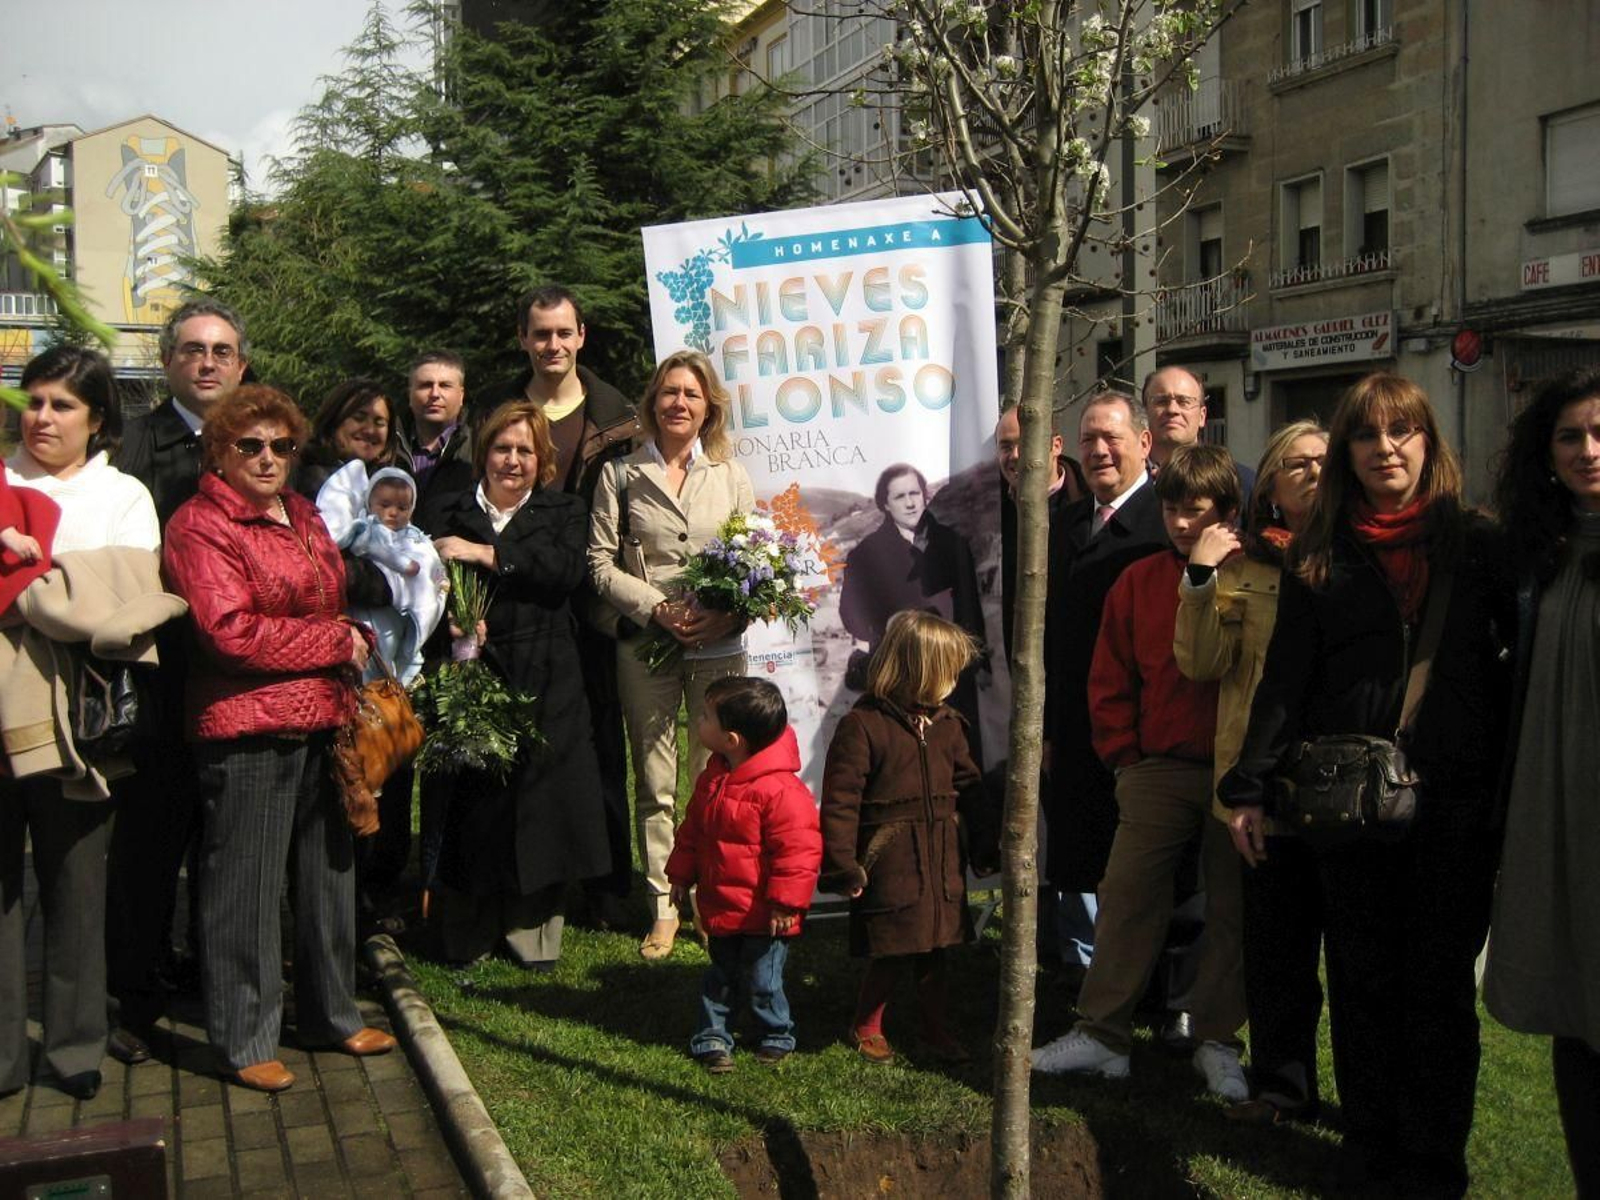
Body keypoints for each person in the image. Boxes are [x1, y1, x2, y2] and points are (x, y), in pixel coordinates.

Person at [1218, 373, 1509, 1193]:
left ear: (1427, 442)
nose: (1385, 449)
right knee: (1361, 981)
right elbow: (1285, 678)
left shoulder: (1478, 546)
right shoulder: (1321, 551)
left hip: (1451, 803)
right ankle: (1371, 1145)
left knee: (1441, 991)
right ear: (1347, 451)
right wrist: (1248, 786)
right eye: (1367, 436)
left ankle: (1433, 1158)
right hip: (1347, 807)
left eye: (1402, 432)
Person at [162, 385, 395, 1093]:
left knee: (329, 876)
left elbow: (330, 597)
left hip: (324, 719)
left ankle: (330, 1014)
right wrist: (331, 638)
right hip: (246, 727)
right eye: (251, 446)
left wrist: (346, 635)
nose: (268, 459)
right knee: (247, 888)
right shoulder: (200, 524)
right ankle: (245, 1037)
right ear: (219, 451)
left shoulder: (299, 513)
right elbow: (227, 633)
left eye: (282, 447)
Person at [1031, 444, 1248, 1100]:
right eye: (1173, 509)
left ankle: (1217, 1041)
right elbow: (1111, 674)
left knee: (1229, 912)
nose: (1182, 523)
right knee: (1124, 897)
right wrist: (1125, 754)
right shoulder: (1138, 580)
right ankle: (1103, 1036)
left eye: (1197, 511)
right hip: (1157, 764)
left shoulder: (1257, 578)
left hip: (1236, 773)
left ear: (1227, 512)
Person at [0, 346, 166, 1101]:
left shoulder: (123, 495)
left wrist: (21, 576)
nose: (41, 418)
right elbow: (80, 590)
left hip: (82, 717)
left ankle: (74, 1048)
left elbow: (120, 609)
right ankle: (2, 1058)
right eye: (34, 401)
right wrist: (65, 577)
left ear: (97, 419)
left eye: (61, 405)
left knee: (76, 883)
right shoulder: (0, 484)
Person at [108, 299, 251, 1065]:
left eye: (222, 351)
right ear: (167, 363)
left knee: (223, 843)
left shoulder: (258, 441)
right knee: (148, 845)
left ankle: (206, 971)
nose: (207, 362)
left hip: (235, 678)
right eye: (193, 350)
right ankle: (134, 997)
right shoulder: (135, 446)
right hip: (159, 676)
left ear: (241, 364)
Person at [1174, 420, 1329, 1122]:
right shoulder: (1244, 565)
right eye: (1297, 464)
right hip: (1264, 786)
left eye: (1325, 462)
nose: (1314, 474)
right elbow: (1202, 664)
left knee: (1356, 956)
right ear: (1267, 483)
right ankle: (1282, 1089)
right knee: (1275, 950)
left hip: (1346, 782)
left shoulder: (1360, 554)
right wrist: (1202, 578)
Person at [428, 401, 611, 968]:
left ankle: (531, 927)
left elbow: (563, 572)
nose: (513, 461)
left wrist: (486, 553)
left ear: (542, 461)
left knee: (542, 803)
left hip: (547, 674)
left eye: (525, 451)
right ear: (484, 454)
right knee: (475, 802)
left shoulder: (563, 512)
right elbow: (419, 583)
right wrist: (448, 618)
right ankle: (473, 924)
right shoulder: (449, 511)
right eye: (503, 449)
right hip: (472, 672)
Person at [477, 286, 641, 917]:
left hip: (594, 601)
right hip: (520, 600)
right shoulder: (501, 410)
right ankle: (525, 878)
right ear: (524, 339)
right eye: (540, 334)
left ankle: (605, 885)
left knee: (600, 742)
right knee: (518, 738)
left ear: (581, 337)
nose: (552, 345)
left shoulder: (618, 416)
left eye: (562, 333)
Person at [588, 350, 754, 961]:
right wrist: (656, 607)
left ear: (708, 405)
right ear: (652, 402)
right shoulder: (621, 474)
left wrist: (730, 612)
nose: (678, 403)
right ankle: (663, 904)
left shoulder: (731, 475)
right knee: (655, 780)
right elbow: (598, 564)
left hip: (719, 645)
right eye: (668, 392)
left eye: (691, 393)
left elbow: (756, 564)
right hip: (648, 645)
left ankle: (711, 897)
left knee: (713, 778)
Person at [1484, 366, 1600, 1193]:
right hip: (1554, 805)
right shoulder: (1539, 553)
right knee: (1573, 1001)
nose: (1589, 451)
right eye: (1571, 435)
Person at [821, 610, 992, 1066]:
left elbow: (969, 788)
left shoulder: (950, 724)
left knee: (937, 948)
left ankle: (936, 1027)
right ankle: (867, 1024)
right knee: (894, 945)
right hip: (891, 856)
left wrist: (984, 847)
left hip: (941, 854)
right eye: (948, 672)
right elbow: (841, 800)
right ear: (919, 670)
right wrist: (842, 863)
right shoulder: (863, 726)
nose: (954, 681)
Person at [1042, 391, 1169, 977]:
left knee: (1142, 861)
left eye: (1111, 437)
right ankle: (1088, 971)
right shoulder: (1064, 523)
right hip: (1073, 725)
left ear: (1144, 443)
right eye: (1088, 439)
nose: (1098, 451)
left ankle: (1151, 981)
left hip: (1144, 726)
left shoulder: (1167, 522)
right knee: (1081, 853)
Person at [665, 677, 821, 1073]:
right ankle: (713, 1037)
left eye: (704, 717)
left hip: (766, 915)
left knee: (763, 981)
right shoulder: (714, 779)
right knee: (721, 976)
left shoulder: (781, 791)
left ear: (731, 739)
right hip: (722, 904)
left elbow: (798, 852)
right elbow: (692, 832)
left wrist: (786, 903)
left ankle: (775, 1033)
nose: (696, 722)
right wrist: (681, 875)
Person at [838, 463, 986, 769]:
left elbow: (970, 608)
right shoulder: (865, 555)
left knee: (959, 763)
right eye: (900, 496)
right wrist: (887, 632)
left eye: (915, 493)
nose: (910, 502)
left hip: (952, 673)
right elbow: (851, 616)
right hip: (896, 677)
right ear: (885, 504)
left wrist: (974, 660)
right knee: (904, 764)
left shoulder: (952, 543)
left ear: (925, 496)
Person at [319, 467, 446, 686]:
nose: (393, 513)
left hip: (394, 617)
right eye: (384, 505)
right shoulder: (364, 528)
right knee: (361, 661)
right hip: (360, 614)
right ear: (369, 503)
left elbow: (429, 575)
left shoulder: (417, 540)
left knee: (386, 657)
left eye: (402, 507)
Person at [994, 404, 1087, 660]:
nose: (1014, 455)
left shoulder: (1090, 503)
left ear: (1056, 445)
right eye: (1005, 446)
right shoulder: (991, 513)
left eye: (1025, 443)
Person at [1141, 366, 1256, 505]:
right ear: (1145, 413)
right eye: (1161, 401)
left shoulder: (1240, 482)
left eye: (1184, 402)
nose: (1172, 410)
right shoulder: (1124, 481)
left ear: (1202, 416)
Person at [295, 377, 403, 500]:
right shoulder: (309, 480)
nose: (370, 430)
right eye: (359, 418)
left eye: (379, 423)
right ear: (333, 421)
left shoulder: (390, 485)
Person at [404, 350, 475, 533]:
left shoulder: (479, 449)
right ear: (409, 395)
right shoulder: (389, 447)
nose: (435, 393)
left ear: (461, 395)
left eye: (445, 385)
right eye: (426, 385)